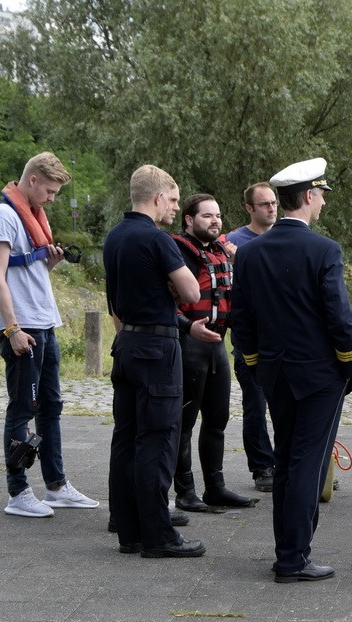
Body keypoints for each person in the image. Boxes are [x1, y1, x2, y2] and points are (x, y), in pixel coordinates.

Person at [230, 158, 352, 583]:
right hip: (320, 374)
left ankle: (286, 549)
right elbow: (339, 317)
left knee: (286, 459)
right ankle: (293, 558)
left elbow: (242, 320)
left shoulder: (249, 253)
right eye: (320, 195)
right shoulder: (324, 250)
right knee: (308, 462)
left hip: (274, 371)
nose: (322, 203)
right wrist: (349, 361)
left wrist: (253, 362)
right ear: (307, 196)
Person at [0, 152, 99, 518]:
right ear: (32, 180)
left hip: (45, 323)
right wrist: (12, 329)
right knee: (22, 408)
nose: (52, 198)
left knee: (51, 406)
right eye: (50, 191)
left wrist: (50, 260)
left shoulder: (31, 216)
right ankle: (18, 492)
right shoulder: (2, 216)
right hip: (23, 327)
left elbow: (30, 271)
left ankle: (57, 486)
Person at [103, 165, 205, 559]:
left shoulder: (114, 237)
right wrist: (171, 286)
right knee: (158, 439)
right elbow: (193, 292)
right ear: (158, 197)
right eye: (174, 200)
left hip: (125, 343)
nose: (175, 207)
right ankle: (158, 536)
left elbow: (114, 301)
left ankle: (128, 531)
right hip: (158, 349)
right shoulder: (158, 239)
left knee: (125, 439)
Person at [171, 194, 256, 513]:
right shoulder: (178, 249)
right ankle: (185, 490)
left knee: (218, 418)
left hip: (217, 344)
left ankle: (215, 488)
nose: (215, 221)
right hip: (188, 342)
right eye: (207, 216)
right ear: (189, 220)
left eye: (218, 216)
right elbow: (169, 301)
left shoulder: (224, 251)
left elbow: (234, 298)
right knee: (184, 420)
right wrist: (185, 326)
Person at [225, 183, 279, 492]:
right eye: (264, 204)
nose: (271, 208)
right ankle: (262, 467)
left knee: (289, 405)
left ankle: (296, 462)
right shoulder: (233, 242)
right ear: (250, 208)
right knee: (255, 405)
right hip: (250, 341)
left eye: (273, 203)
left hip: (284, 339)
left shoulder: (283, 237)